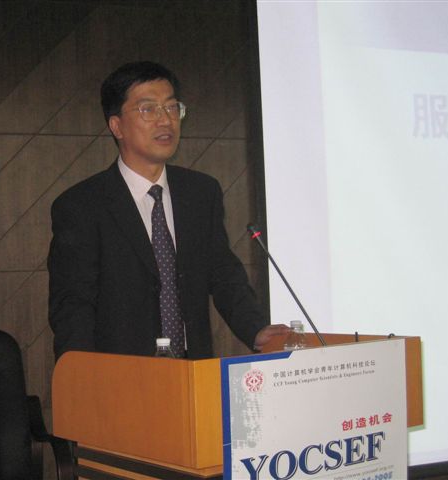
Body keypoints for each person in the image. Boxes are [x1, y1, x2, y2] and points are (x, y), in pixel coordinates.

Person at [48, 61, 288, 360]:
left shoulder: (200, 192)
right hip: (120, 372)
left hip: (193, 367)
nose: (166, 120)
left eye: (172, 108)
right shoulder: (82, 205)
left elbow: (223, 272)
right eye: (148, 109)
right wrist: (83, 374)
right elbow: (73, 304)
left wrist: (255, 329)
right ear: (116, 126)